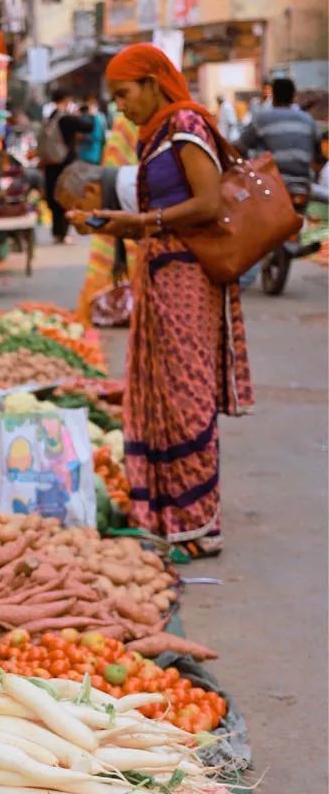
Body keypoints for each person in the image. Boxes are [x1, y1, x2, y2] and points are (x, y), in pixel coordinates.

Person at [70, 43, 252, 559]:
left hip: (188, 279)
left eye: (124, 94)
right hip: (161, 275)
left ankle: (200, 522)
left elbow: (209, 201)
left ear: (152, 81)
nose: (119, 107)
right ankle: (170, 515)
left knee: (187, 396)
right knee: (163, 393)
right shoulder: (156, 135)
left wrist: (141, 223)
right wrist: (114, 222)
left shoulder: (187, 127)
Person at [57, 157, 140, 327]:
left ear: (90, 190)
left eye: (78, 206)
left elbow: (152, 230)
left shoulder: (131, 190)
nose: (78, 215)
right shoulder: (120, 190)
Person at [237, 76, 324, 203]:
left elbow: (239, 146)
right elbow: (318, 158)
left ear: (274, 95)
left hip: (271, 187)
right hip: (303, 187)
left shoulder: (262, 119)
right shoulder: (309, 120)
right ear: (293, 96)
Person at [38, 92, 96, 242]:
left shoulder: (49, 118)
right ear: (67, 100)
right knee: (65, 197)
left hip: (50, 164)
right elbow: (89, 126)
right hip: (65, 164)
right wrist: (89, 112)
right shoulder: (66, 119)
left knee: (53, 197)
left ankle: (57, 233)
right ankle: (63, 233)